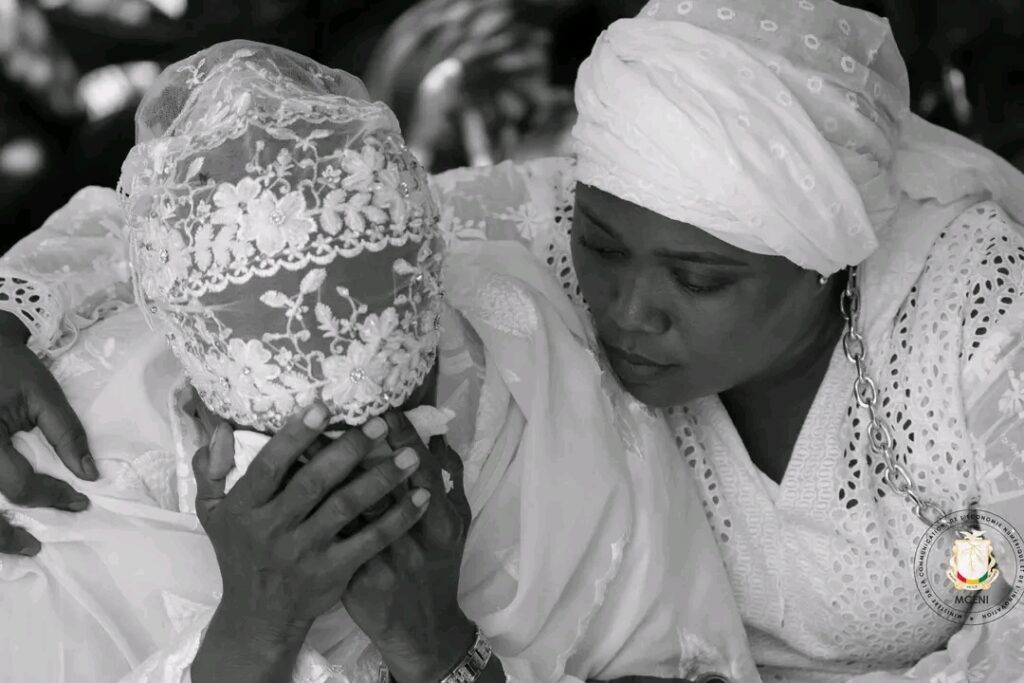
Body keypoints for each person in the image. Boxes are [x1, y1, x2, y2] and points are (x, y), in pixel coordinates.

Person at [3, 0, 1024, 680]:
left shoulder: (973, 326)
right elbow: (258, 205)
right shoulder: (540, 236)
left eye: (700, 279)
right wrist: (11, 305)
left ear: (830, 251)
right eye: (605, 241)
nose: (628, 307)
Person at [0, 40, 755, 683]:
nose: (350, 466)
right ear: (197, 379)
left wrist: (441, 651)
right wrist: (252, 635)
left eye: (394, 397)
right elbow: (148, 216)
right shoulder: (75, 479)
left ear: (433, 292)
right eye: (288, 428)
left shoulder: (535, 366)